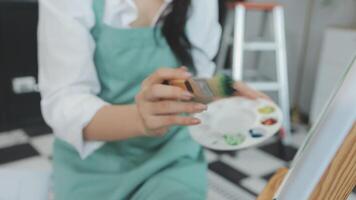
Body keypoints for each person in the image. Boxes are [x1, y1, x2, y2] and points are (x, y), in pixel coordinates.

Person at [38, 0, 269, 199]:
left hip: (173, 155)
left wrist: (222, 88)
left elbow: (191, 82)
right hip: (92, 165)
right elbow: (65, 103)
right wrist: (140, 118)